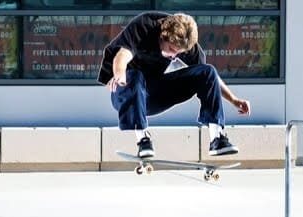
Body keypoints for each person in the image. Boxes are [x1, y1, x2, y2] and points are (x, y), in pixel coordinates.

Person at [98, 11, 251, 159]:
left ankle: (217, 138)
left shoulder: (185, 40)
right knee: (136, 76)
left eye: (179, 53)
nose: (174, 56)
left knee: (207, 71)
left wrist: (234, 100)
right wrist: (119, 76)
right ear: (163, 36)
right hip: (126, 93)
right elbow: (122, 56)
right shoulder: (143, 26)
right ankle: (143, 140)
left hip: (155, 94)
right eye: (172, 49)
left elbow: (210, 80)